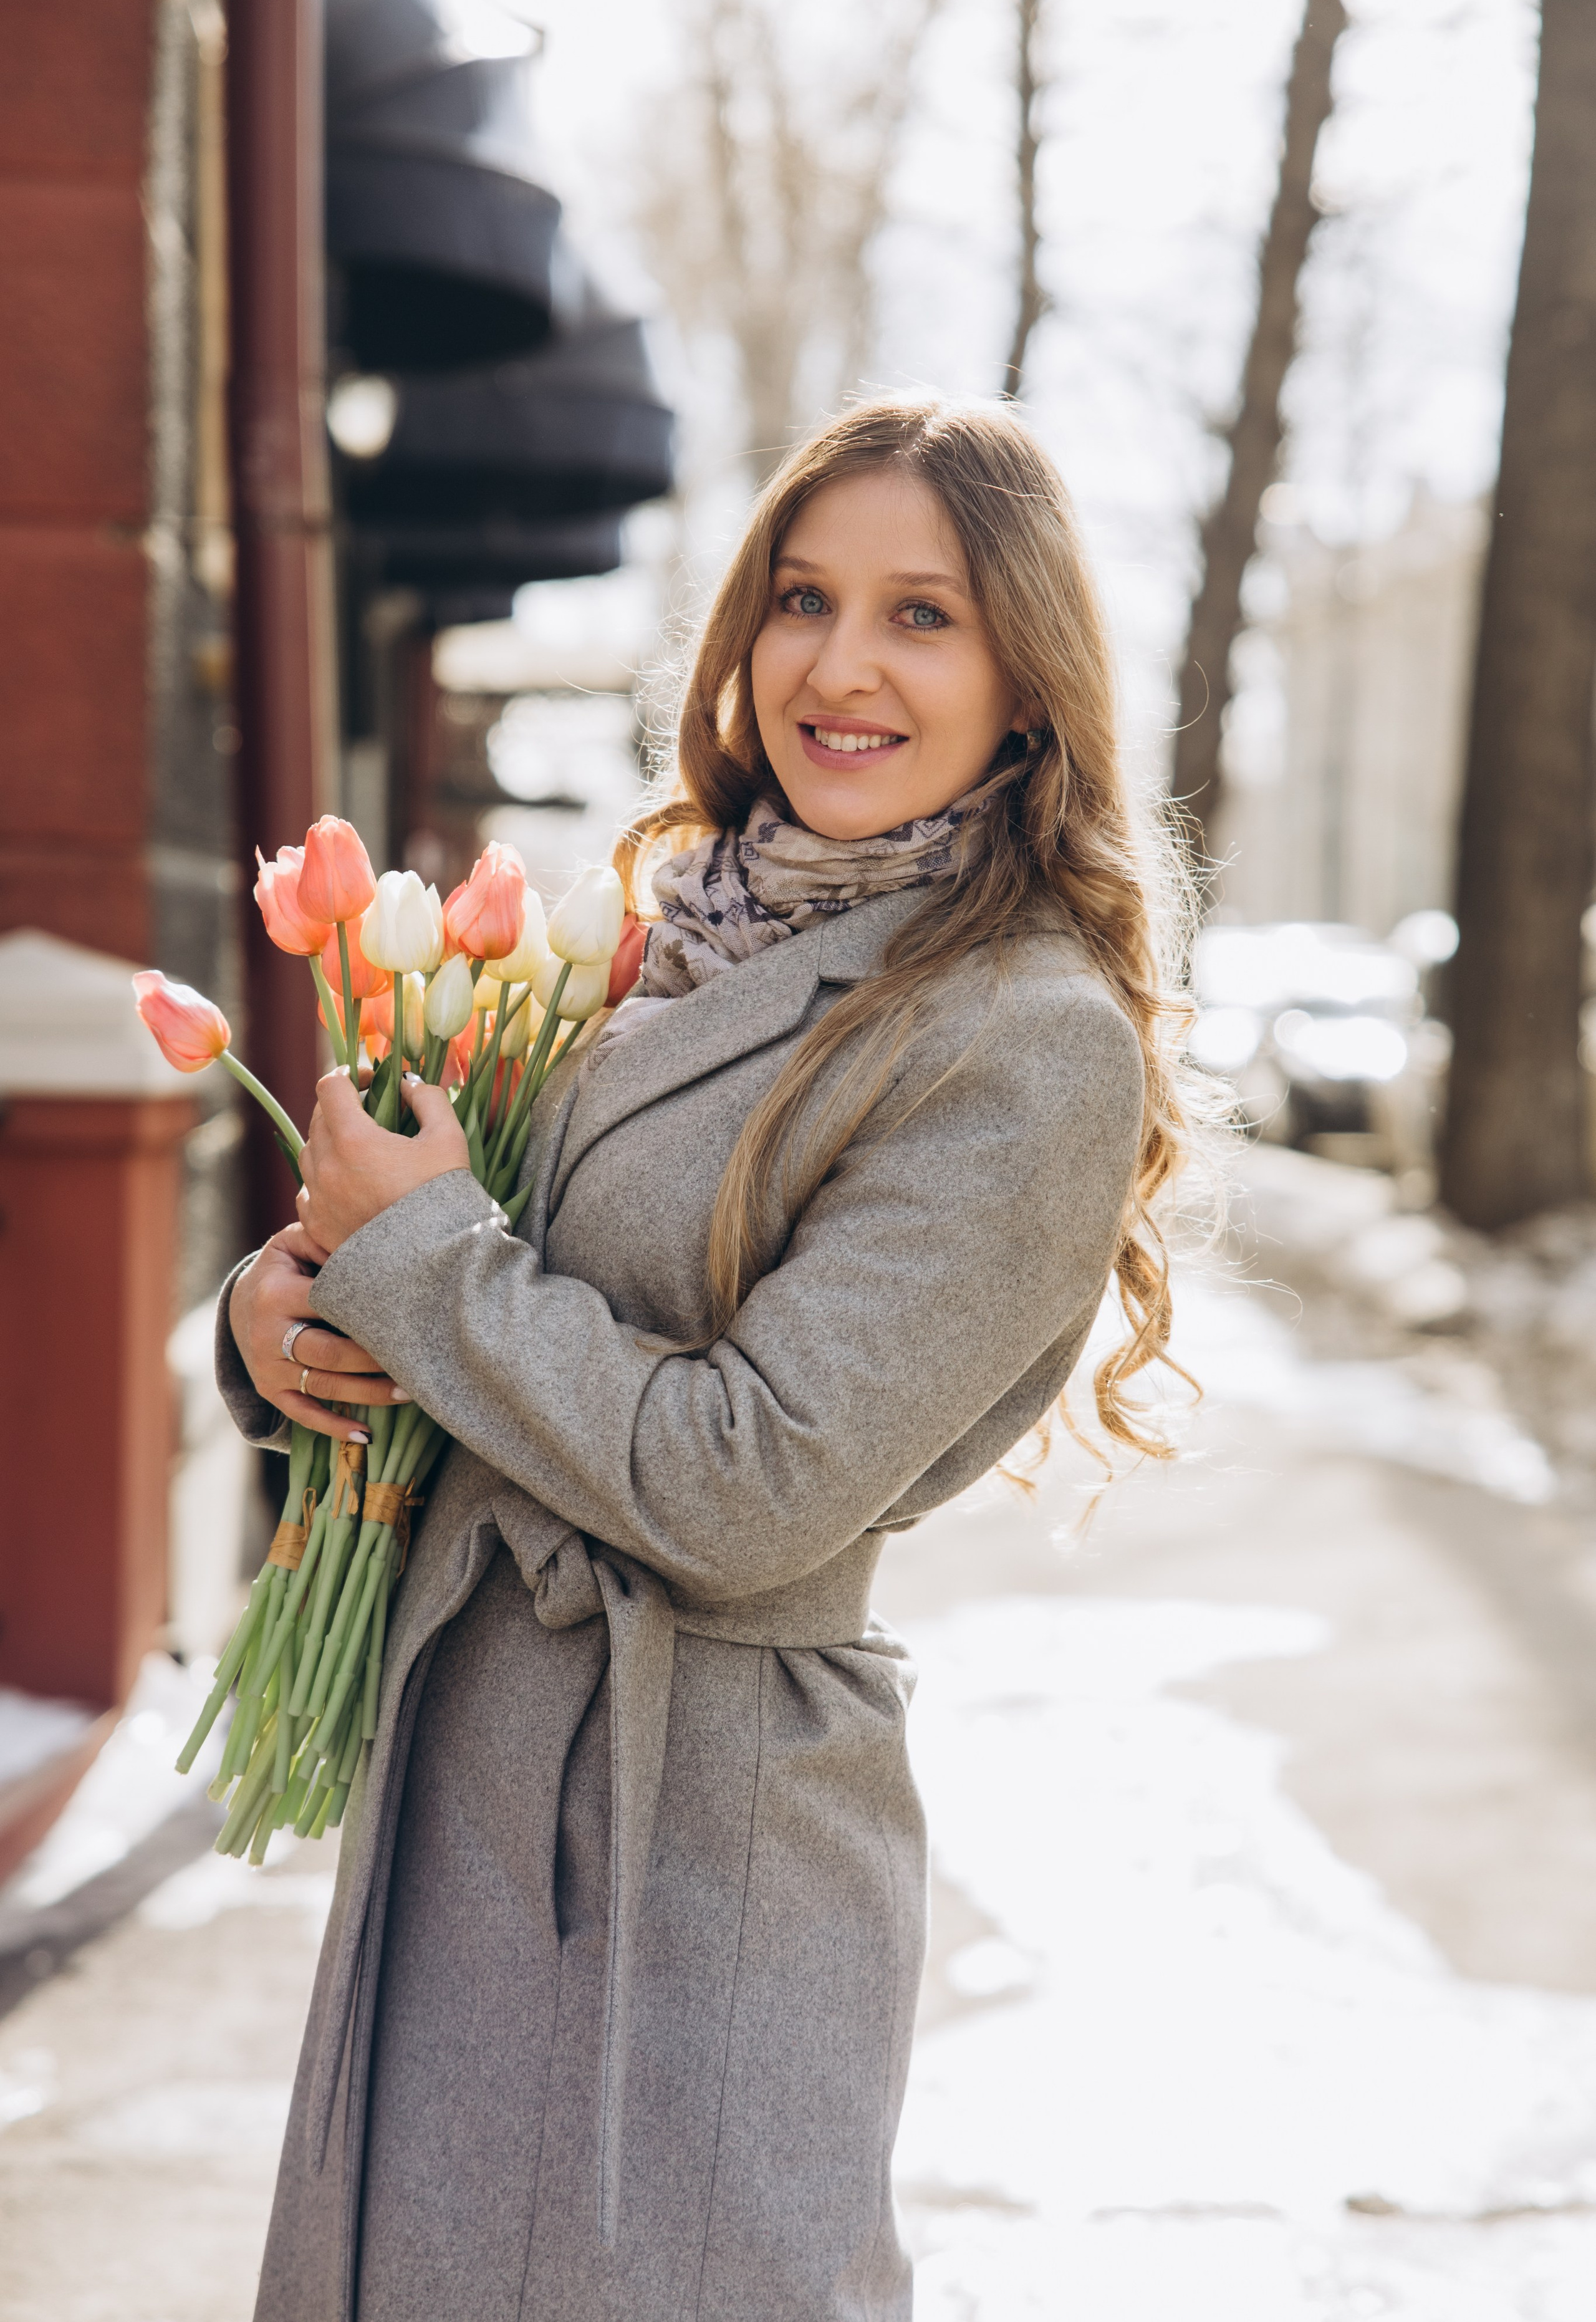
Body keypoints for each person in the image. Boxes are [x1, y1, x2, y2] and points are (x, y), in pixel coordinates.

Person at [221, 393, 1196, 2322]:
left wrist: (422, 1259)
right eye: (802, 598)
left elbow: (747, 1486)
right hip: (474, 1769)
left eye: (922, 616)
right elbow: (506, 1278)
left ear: (1027, 680)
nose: (840, 666)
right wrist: (302, 1312)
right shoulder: (676, 935)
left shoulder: (1024, 1037)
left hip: (694, 1840)